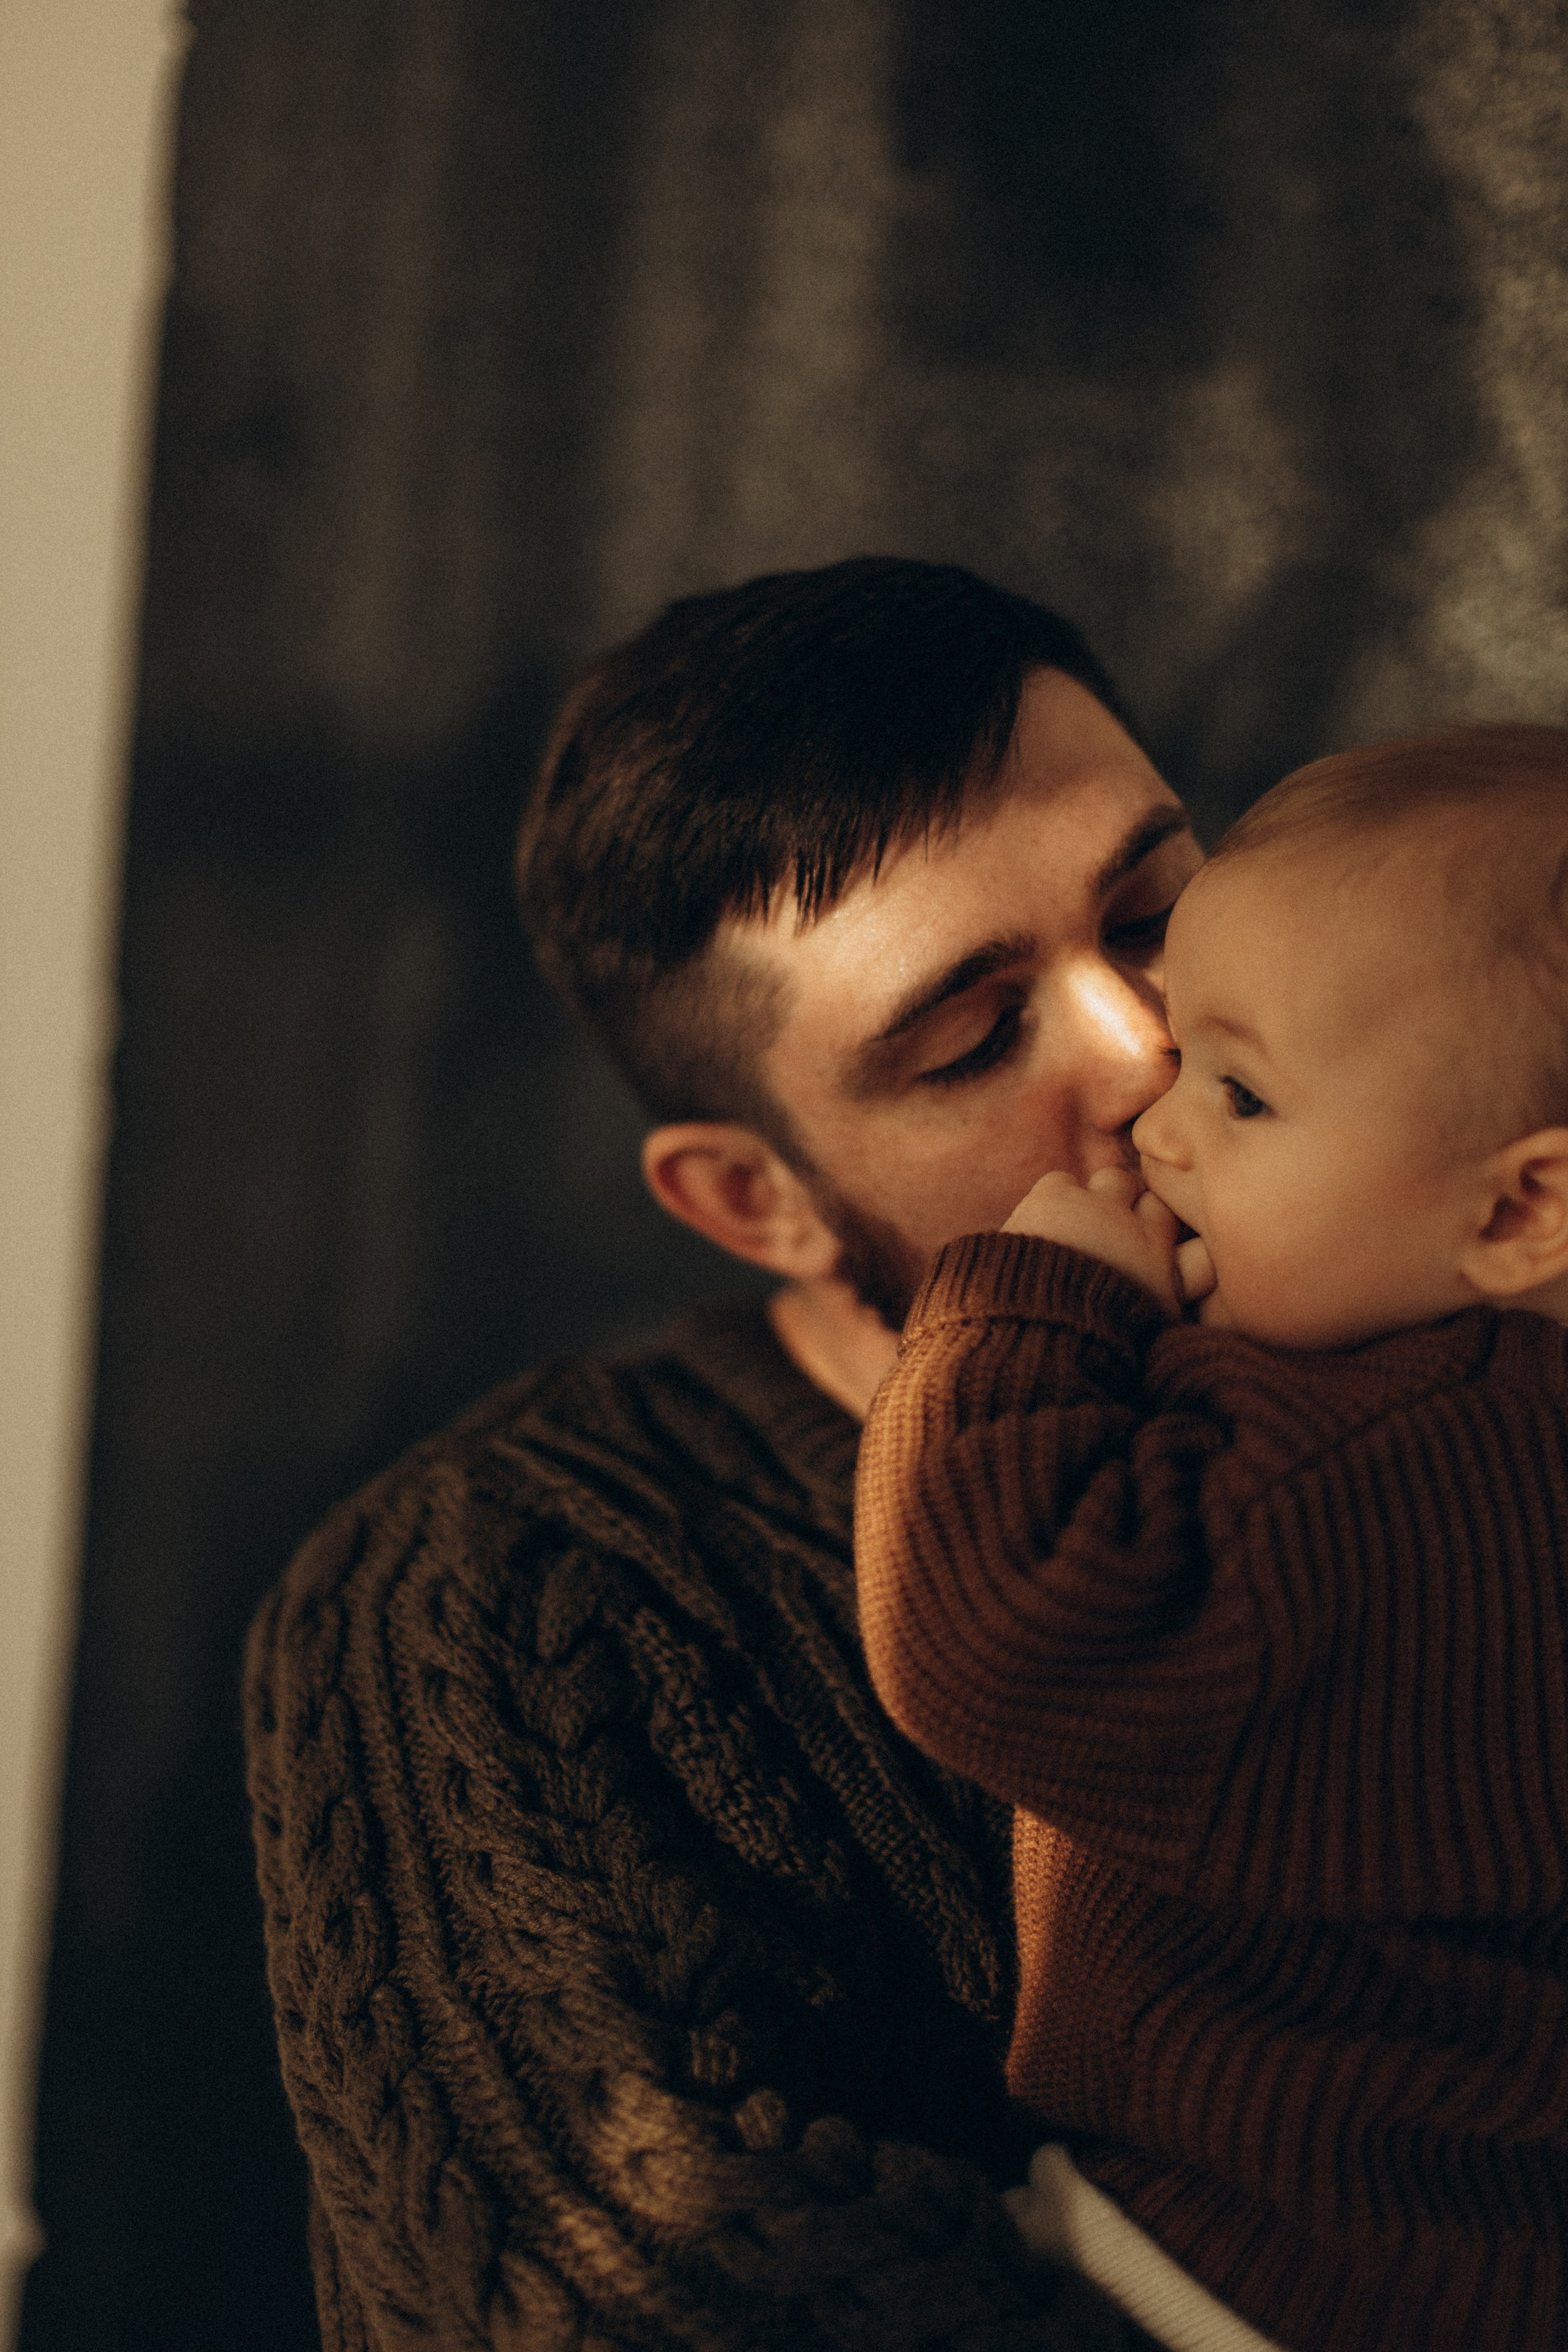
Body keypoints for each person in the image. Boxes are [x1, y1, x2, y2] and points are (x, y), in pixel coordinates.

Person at [243, 556, 1204, 2351]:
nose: (1145, 1047)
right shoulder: (504, 1592)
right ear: (757, 1198)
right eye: (977, 1036)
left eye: (1154, 911)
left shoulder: (1460, 1389)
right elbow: (650, 2291)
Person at [855, 726, 1568, 2352]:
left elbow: (999, 1633)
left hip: (1262, 2264)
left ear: (1520, 1209)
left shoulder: (1402, 1456)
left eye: (1243, 1094)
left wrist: (1041, 1304)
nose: (1160, 1133)